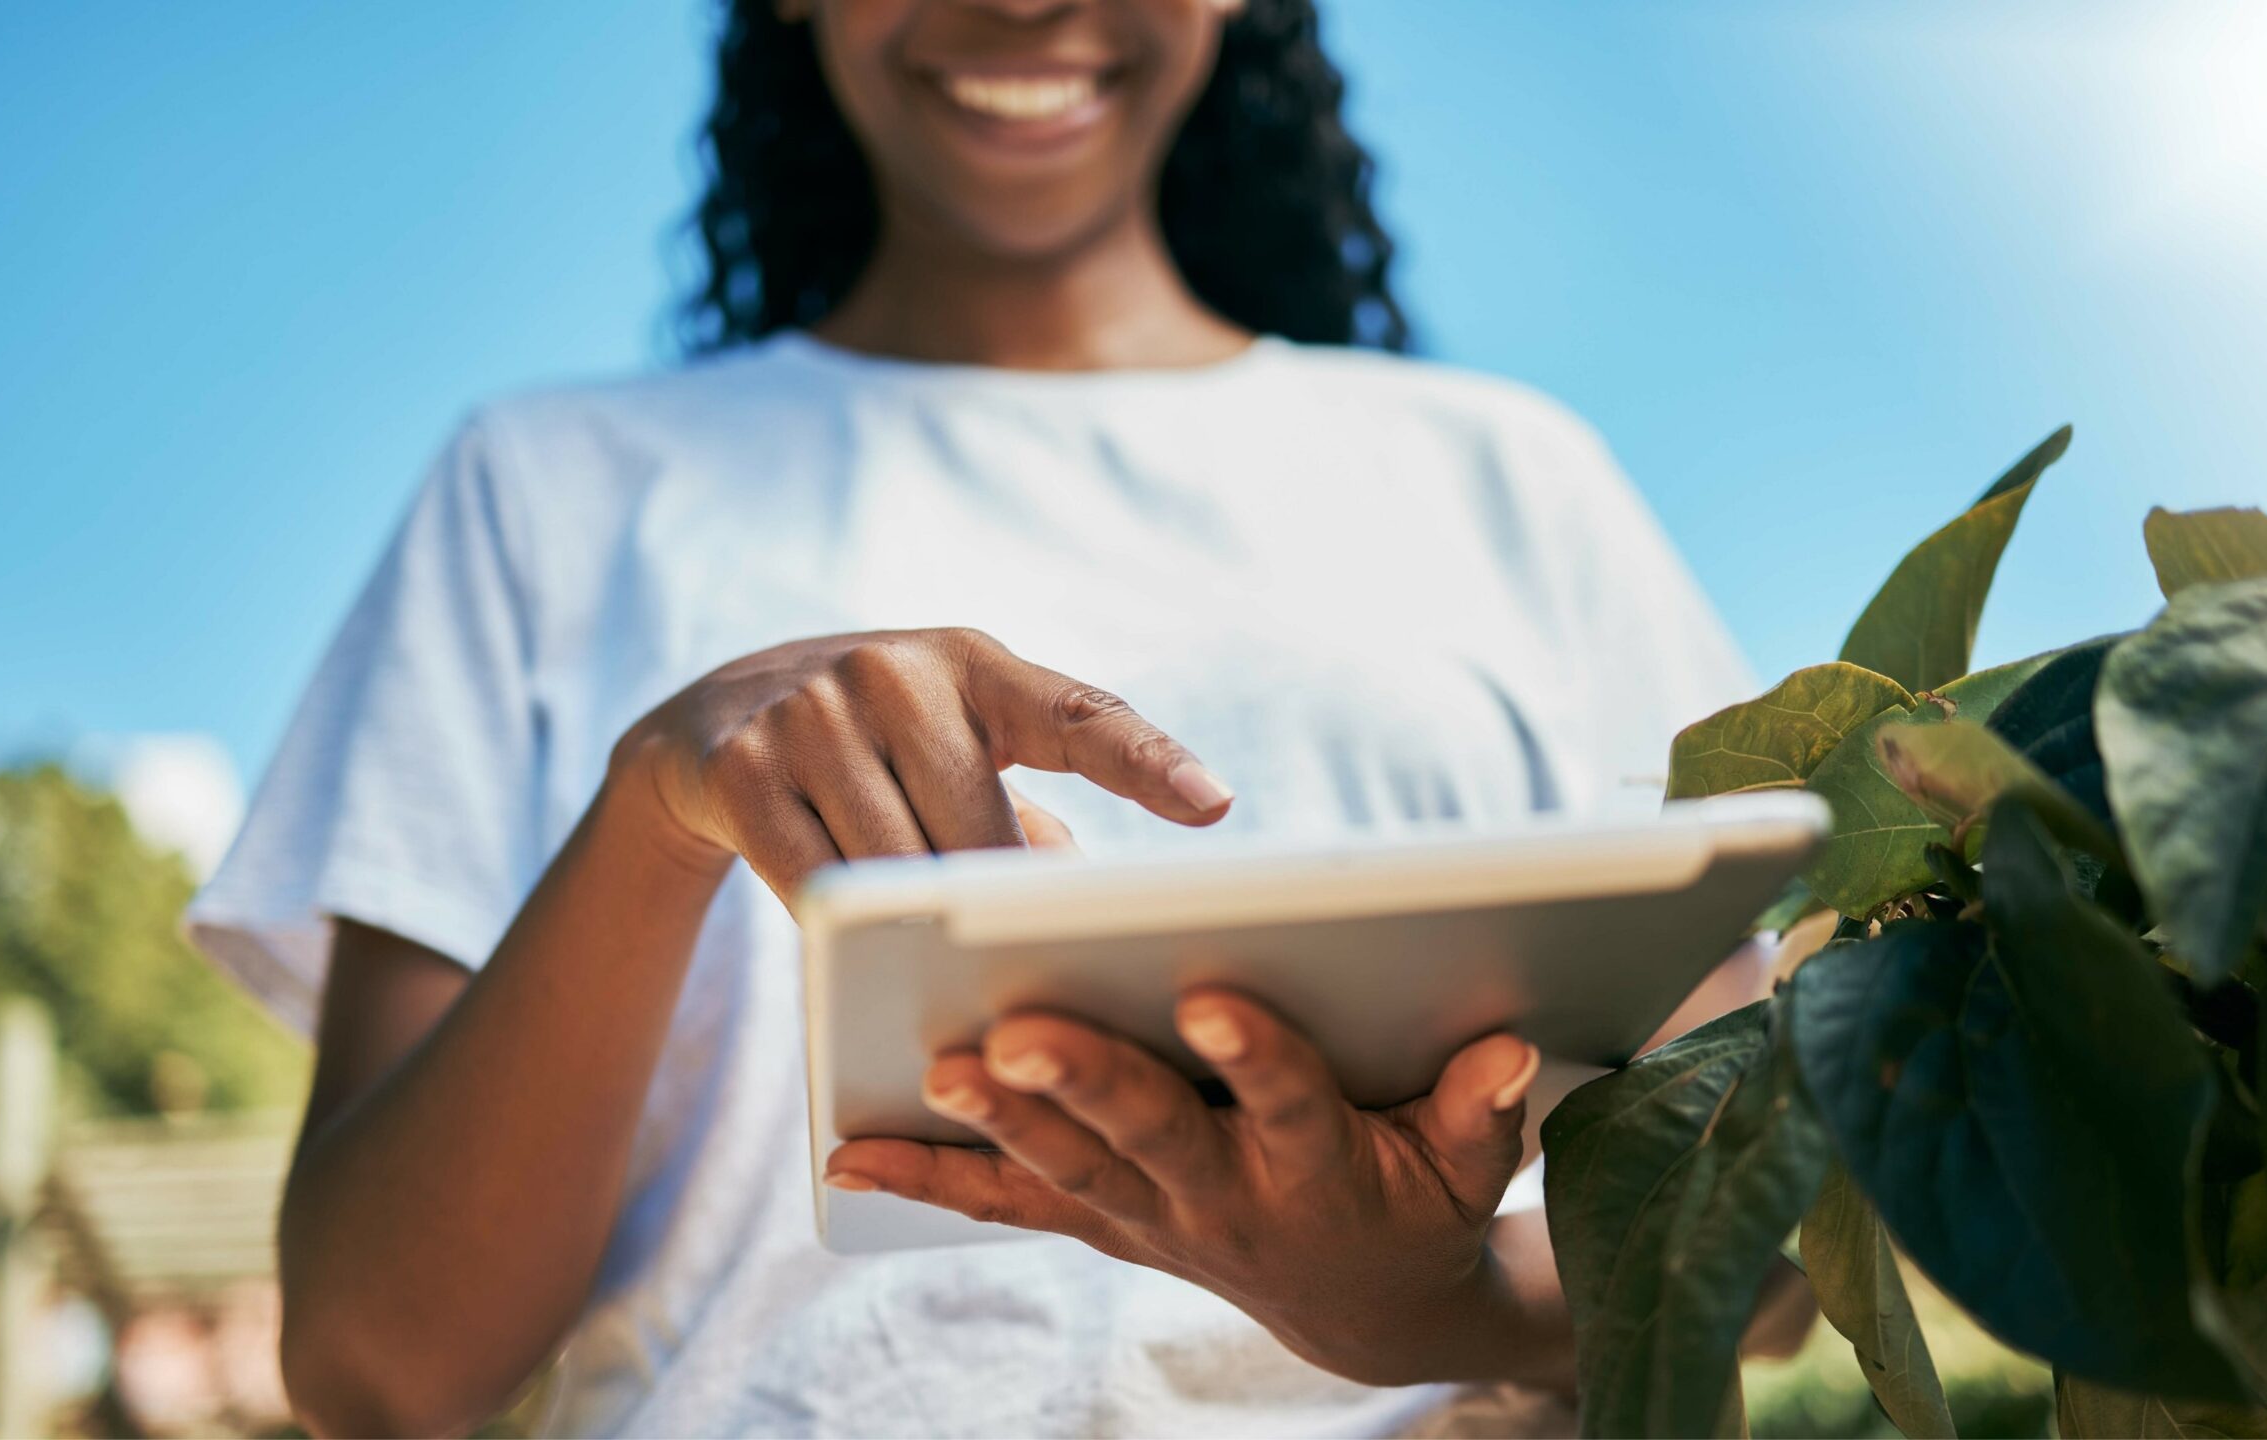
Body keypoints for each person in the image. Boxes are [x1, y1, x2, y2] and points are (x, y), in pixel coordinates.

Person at [187, 0, 1782, 1434]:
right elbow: (378, 1365)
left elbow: (1770, 1240)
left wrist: (1444, 1319)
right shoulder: (544, 492)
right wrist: (653, 809)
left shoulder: (1508, 482)